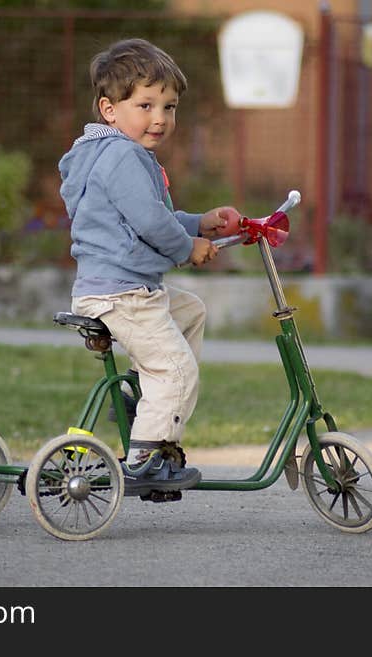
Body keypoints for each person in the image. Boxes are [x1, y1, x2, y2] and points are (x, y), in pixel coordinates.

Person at [58, 38, 240, 497]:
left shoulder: (116, 154)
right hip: (122, 293)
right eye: (145, 104)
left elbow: (148, 219)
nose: (159, 118)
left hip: (120, 288)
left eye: (170, 107)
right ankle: (146, 456)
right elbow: (149, 222)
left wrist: (200, 224)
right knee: (178, 370)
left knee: (190, 310)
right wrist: (186, 249)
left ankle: (141, 396)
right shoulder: (122, 156)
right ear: (109, 109)